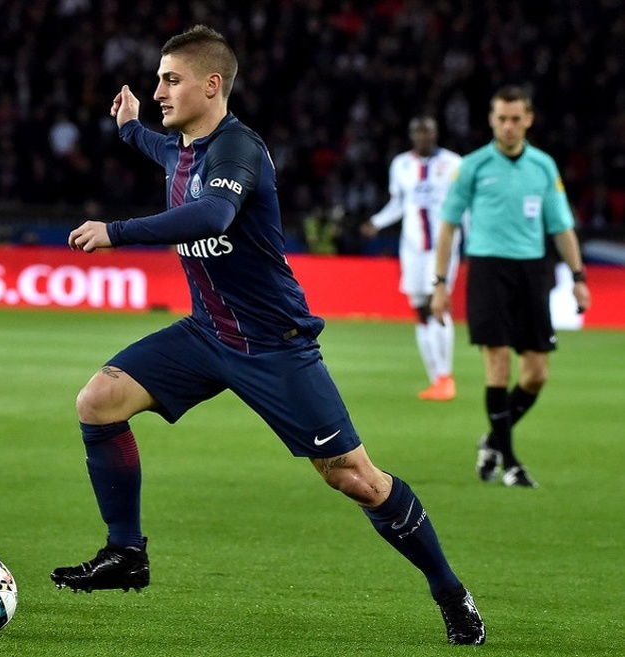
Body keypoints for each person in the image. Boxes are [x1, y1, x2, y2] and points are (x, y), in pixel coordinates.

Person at [51, 25, 485, 646]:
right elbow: (157, 147)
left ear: (212, 84)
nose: (158, 91)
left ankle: (448, 589)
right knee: (98, 401)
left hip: (274, 346)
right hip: (206, 334)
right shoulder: (181, 145)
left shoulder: (238, 151)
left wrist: (117, 230)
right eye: (156, 80)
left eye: (170, 80)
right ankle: (127, 553)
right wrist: (127, 128)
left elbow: (212, 214)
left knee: (354, 478)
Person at [431, 85, 591, 488]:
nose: (508, 126)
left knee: (536, 373)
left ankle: (492, 440)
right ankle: (513, 463)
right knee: (497, 363)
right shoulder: (472, 167)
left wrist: (578, 277)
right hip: (487, 270)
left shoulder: (543, 167)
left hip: (531, 272)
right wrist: (439, 283)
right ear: (491, 119)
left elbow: (562, 228)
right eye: (501, 118)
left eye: (516, 119)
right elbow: (448, 226)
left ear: (529, 119)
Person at [362, 117, 462, 401]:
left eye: (427, 131)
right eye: (417, 132)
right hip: (413, 248)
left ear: (436, 133)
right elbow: (399, 203)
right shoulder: (402, 165)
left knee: (437, 305)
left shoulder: (454, 164)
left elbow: (463, 206)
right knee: (420, 309)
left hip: (442, 248)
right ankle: (436, 378)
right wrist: (377, 222)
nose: (423, 137)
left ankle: (446, 375)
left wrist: (471, 236)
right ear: (411, 136)